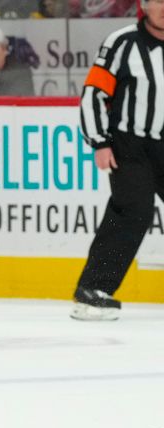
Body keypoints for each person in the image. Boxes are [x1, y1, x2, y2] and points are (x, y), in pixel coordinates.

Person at [71, 0, 164, 320]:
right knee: (134, 209)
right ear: (144, 6)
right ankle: (92, 290)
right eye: (158, 0)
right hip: (129, 143)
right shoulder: (122, 42)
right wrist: (99, 141)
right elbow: (94, 93)